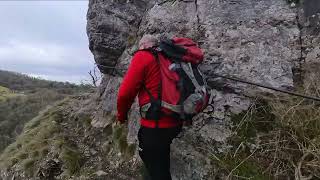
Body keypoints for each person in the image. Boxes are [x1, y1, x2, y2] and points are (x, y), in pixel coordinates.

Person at [117, 34, 183, 180]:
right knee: (161, 157)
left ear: (144, 45)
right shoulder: (169, 58)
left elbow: (125, 94)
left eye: (140, 47)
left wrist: (121, 116)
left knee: (154, 165)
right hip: (176, 121)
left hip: (155, 126)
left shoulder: (142, 56)